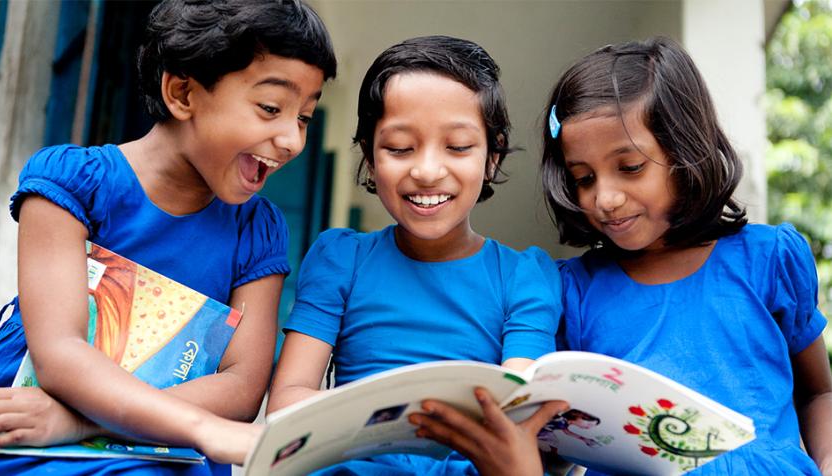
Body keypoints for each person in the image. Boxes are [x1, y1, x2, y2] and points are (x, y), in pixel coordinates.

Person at [0, 0, 336, 474]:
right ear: (183, 93)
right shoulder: (75, 183)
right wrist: (202, 429)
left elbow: (242, 386)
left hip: (159, 451)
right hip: (24, 433)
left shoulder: (257, 229)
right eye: (270, 107)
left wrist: (82, 423)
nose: (292, 140)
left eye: (304, 118)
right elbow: (61, 355)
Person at [266, 35, 567, 476]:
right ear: (369, 158)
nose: (426, 171)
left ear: (493, 158)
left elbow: (518, 414)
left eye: (459, 146)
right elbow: (287, 403)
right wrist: (408, 414)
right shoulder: (341, 259)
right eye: (400, 148)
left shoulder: (525, 277)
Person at [538, 37, 832, 474]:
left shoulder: (767, 261)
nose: (606, 197)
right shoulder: (574, 291)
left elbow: (818, 392)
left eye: (630, 167)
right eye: (583, 178)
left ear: (685, 152)